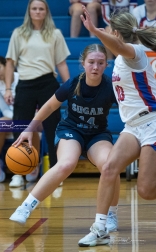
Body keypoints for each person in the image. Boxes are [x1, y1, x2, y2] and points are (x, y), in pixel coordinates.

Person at [9, 43, 121, 238]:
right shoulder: (72, 83)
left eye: (100, 63)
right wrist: (30, 128)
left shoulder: (111, 87)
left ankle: (111, 214)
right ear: (83, 64)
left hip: (97, 134)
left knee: (110, 165)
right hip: (71, 130)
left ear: (106, 65)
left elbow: (130, 108)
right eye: (91, 62)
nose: (95, 67)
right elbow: (50, 106)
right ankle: (25, 207)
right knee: (66, 164)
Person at [78, 6, 156, 247]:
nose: (106, 31)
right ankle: (100, 228)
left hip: (152, 121)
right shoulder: (124, 56)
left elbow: (120, 47)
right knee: (109, 168)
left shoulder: (136, 52)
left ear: (117, 34)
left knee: (145, 190)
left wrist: (92, 30)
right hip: (133, 126)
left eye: (110, 29)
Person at [4, 0, 70, 181]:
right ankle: (19, 172)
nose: (38, 11)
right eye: (34, 8)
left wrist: (71, 87)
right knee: (20, 125)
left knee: (53, 128)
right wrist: (8, 88)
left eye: (41, 9)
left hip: (48, 83)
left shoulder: (55, 34)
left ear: (46, 12)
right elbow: (10, 63)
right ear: (29, 11)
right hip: (25, 83)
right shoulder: (18, 33)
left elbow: (61, 63)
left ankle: (57, 172)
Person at [0, 56, 40, 187]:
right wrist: (18, 118)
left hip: (32, 116)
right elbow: (4, 109)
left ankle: (33, 161)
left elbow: (34, 105)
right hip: (12, 117)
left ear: (7, 66)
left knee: (30, 125)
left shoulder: (23, 78)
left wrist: (23, 117)